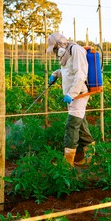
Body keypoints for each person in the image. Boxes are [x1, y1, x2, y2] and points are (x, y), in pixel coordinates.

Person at [46, 32, 95, 167]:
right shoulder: (66, 53)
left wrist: (72, 94)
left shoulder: (76, 50)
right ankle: (91, 155)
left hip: (79, 94)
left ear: (60, 43)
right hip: (73, 95)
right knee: (81, 125)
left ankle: (67, 163)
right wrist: (55, 74)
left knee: (71, 126)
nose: (55, 51)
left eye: (55, 48)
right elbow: (68, 72)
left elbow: (80, 75)